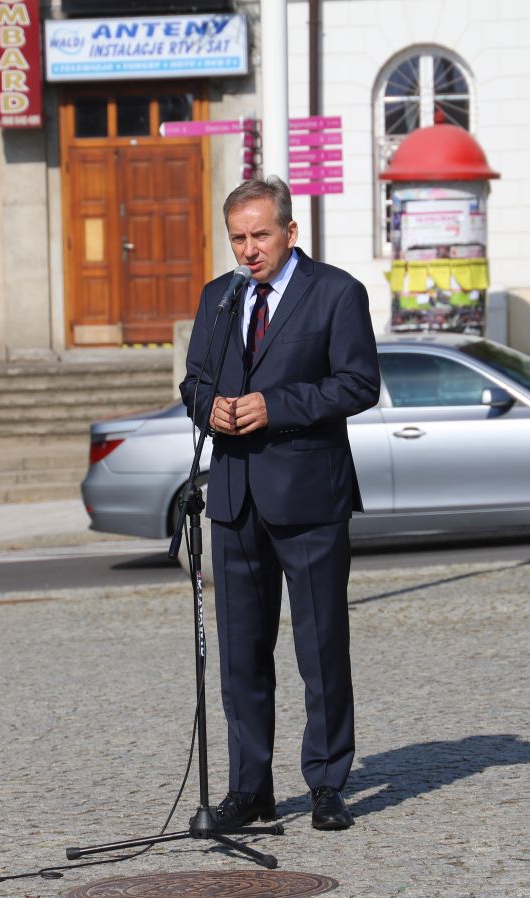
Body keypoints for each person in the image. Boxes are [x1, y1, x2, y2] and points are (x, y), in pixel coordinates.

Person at [178, 176, 380, 832]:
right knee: (241, 655)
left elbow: (358, 384)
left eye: (261, 235)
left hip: (310, 497)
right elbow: (195, 380)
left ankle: (326, 784)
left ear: (291, 232)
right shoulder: (219, 298)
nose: (248, 250)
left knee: (319, 648)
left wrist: (276, 407)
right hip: (234, 499)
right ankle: (249, 789)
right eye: (238, 237)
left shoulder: (336, 293)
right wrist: (209, 407)